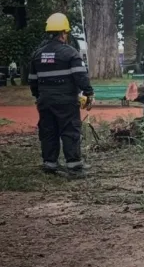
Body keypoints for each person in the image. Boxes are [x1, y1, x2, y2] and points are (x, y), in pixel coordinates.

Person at [28, 13, 95, 178]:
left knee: (48, 131)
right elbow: (80, 76)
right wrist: (88, 92)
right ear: (64, 33)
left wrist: (39, 96)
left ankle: (49, 165)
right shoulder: (70, 53)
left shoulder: (37, 55)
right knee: (70, 130)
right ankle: (74, 167)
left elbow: (32, 81)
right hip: (65, 100)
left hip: (45, 100)